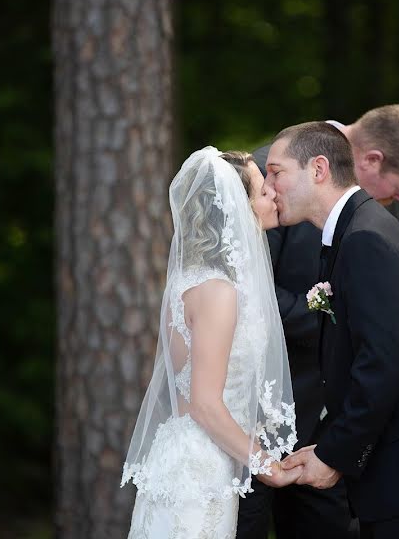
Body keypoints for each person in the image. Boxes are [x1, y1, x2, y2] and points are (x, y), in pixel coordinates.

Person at [238, 105, 399, 539]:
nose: (269, 188)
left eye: (275, 175)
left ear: (321, 170)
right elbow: (251, 291)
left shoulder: (364, 229)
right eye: (267, 177)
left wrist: (335, 453)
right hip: (278, 403)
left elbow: (383, 360)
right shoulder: (300, 190)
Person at [121, 148, 299, 538]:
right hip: (197, 472)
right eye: (262, 190)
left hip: (194, 458)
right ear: (235, 206)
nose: (272, 195)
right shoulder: (217, 291)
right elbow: (204, 403)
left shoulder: (195, 279)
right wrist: (266, 464)